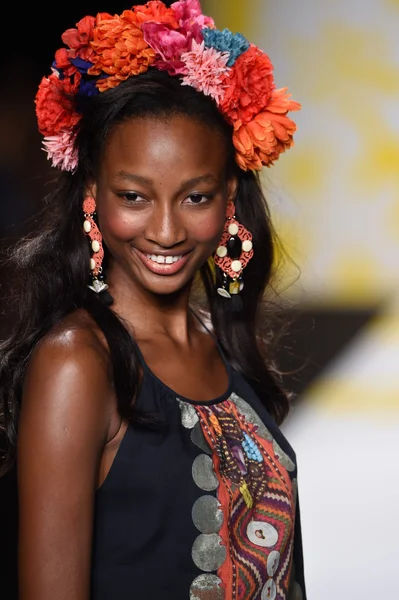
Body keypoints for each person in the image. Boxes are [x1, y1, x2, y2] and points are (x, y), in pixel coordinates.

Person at [0, 1, 306, 599]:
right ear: (92, 193)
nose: (166, 230)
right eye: (135, 196)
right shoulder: (77, 364)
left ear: (229, 200)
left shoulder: (223, 342)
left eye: (194, 198)